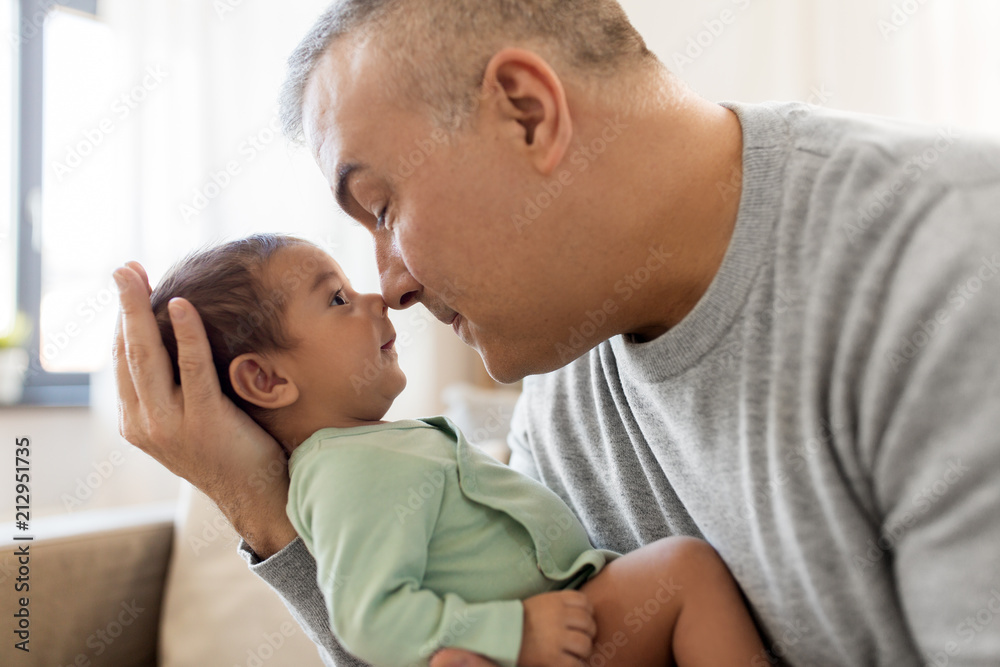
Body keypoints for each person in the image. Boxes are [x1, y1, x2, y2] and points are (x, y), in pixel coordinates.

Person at [113, 0, 1000, 665]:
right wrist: (262, 502)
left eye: (382, 207)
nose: (393, 285)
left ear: (527, 112)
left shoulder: (952, 264)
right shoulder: (571, 389)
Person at [144, 233, 766, 667]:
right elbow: (369, 619)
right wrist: (513, 633)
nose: (377, 298)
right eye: (336, 299)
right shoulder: (344, 471)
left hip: (553, 620)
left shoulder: (366, 452)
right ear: (267, 380)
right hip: (548, 633)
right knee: (685, 573)